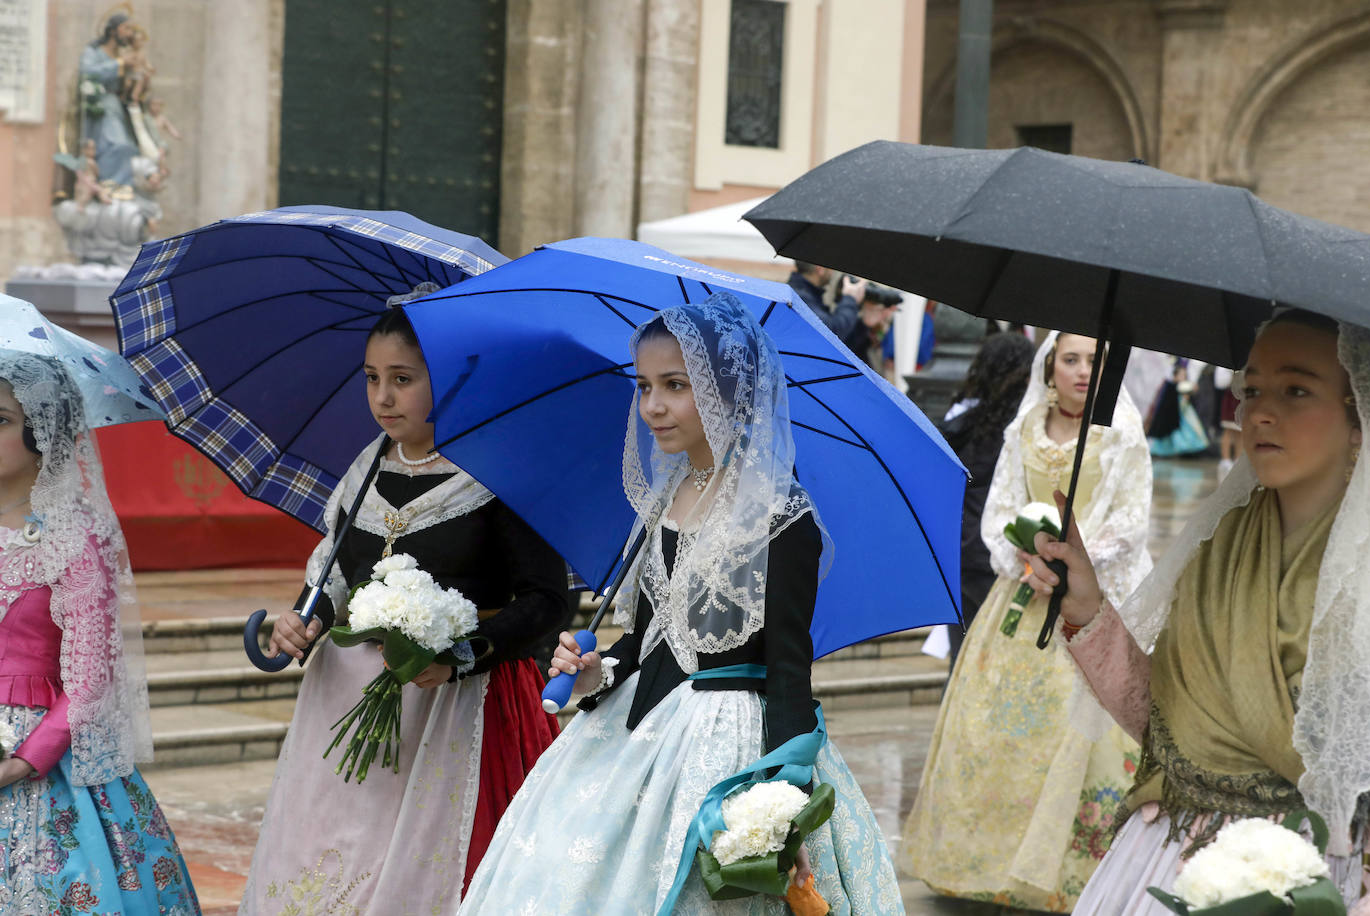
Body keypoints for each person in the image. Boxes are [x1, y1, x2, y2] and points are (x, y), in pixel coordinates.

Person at [458, 291, 902, 915]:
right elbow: (644, 641)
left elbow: (788, 670)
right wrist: (596, 669)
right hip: (633, 731)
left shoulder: (781, 516)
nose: (653, 407)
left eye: (675, 385)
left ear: (730, 393)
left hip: (731, 744)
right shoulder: (660, 500)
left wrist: (782, 805)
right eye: (642, 387)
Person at [1030, 311, 1370, 912]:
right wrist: (1087, 606)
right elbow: (1166, 721)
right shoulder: (1220, 546)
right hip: (1166, 863)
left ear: (1360, 414)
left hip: (1318, 874)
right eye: (1252, 389)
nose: (1259, 413)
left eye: (1296, 390)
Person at [239, 306, 569, 913]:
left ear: (449, 379)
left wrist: (459, 658)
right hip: (340, 704)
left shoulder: (500, 479)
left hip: (458, 706)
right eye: (371, 378)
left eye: (403, 378)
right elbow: (336, 574)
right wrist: (301, 622)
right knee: (331, 862)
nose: (383, 398)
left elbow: (547, 602)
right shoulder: (365, 469)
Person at [901, 332, 1154, 912]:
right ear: (1050, 368)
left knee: (1088, 726)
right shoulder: (1024, 429)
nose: (1082, 371)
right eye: (1071, 359)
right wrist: (1023, 555)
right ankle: (986, 860)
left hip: (1097, 602)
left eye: (1095, 361)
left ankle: (1076, 871)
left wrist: (1074, 561)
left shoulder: (1122, 433)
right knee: (997, 728)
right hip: (1023, 601)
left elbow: (1131, 521)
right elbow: (999, 512)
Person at [0, 353, 200, 914]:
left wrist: (21, 760)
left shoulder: (71, 537)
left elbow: (88, 681)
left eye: (0, 420)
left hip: (42, 758)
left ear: (43, 431)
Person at [937, 331, 1036, 670]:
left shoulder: (958, 418)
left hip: (956, 551)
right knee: (998, 657)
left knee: (961, 656)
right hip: (996, 555)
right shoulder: (1019, 429)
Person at [78, 13, 139, 187]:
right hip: (100, 106)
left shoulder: (122, 55)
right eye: (126, 28)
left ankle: (121, 188)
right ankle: (108, 184)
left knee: (129, 148)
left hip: (117, 108)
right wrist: (119, 64)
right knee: (116, 146)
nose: (130, 34)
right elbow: (87, 73)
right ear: (113, 30)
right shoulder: (94, 52)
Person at [787, 260, 865, 339]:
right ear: (820, 269)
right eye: (831, 268)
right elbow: (831, 332)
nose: (833, 272)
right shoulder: (800, 297)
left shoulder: (803, 293)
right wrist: (850, 299)